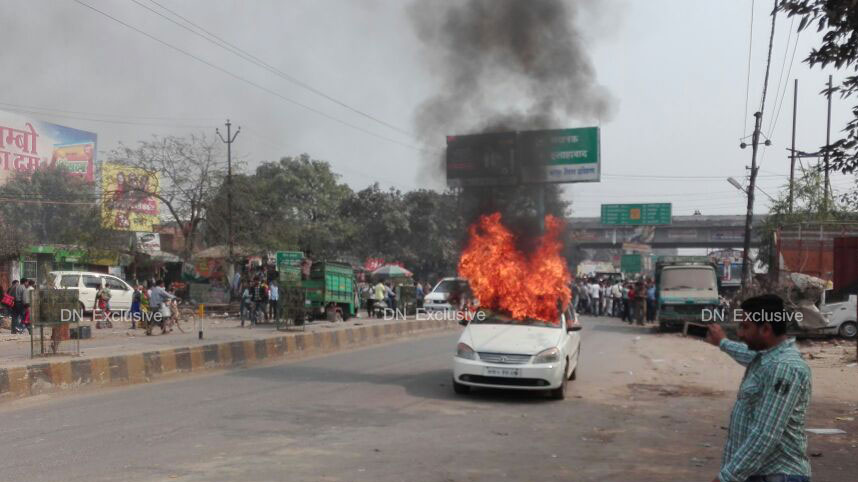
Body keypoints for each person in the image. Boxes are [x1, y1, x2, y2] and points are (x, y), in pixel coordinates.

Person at [706, 295, 812, 482]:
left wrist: (726, 477)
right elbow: (744, 353)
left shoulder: (783, 367)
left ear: (765, 329)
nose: (739, 334)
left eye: (745, 327)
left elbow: (765, 434)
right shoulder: (765, 358)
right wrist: (722, 342)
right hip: (760, 474)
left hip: (778, 475)